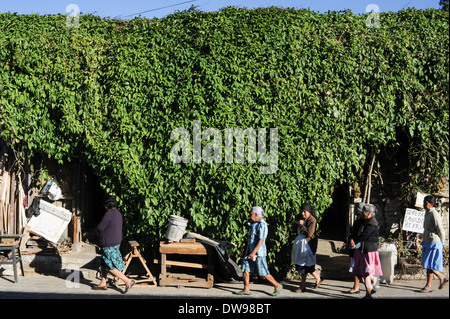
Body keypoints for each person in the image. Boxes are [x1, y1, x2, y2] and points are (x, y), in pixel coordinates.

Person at [236, 206, 283, 296]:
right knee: (245, 268)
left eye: (251, 214)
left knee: (263, 272)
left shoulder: (262, 224)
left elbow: (261, 240)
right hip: (250, 251)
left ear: (256, 215)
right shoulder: (254, 223)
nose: (250, 216)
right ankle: (246, 289)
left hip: (259, 253)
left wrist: (253, 253)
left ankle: (277, 285)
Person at [93, 195, 135, 293]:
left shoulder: (109, 213)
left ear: (106, 205)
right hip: (115, 242)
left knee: (109, 265)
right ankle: (103, 283)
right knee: (103, 262)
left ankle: (128, 281)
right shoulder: (118, 213)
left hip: (108, 243)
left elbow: (100, 227)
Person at [350, 204, 383, 299]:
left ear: (369, 213)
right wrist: (354, 243)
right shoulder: (365, 222)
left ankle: (369, 292)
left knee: (367, 273)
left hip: (369, 252)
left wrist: (355, 242)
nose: (362, 213)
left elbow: (364, 236)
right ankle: (369, 292)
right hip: (363, 250)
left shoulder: (372, 224)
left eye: (364, 211)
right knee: (365, 273)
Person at [291, 203, 322, 292]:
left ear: (309, 211)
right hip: (300, 245)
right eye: (302, 211)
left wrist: (301, 225)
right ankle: (318, 278)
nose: (303, 214)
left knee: (304, 266)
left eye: (305, 212)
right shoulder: (301, 219)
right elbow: (294, 227)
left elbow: (309, 233)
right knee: (305, 265)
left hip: (308, 245)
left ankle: (302, 286)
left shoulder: (312, 220)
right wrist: (298, 223)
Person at [420, 195, 448, 293]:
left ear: (431, 204)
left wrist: (442, 242)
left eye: (426, 202)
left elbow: (440, 229)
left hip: (434, 242)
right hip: (427, 241)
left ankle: (440, 278)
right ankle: (429, 285)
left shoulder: (434, 214)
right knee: (427, 264)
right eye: (424, 202)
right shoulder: (427, 213)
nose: (424, 204)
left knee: (429, 265)